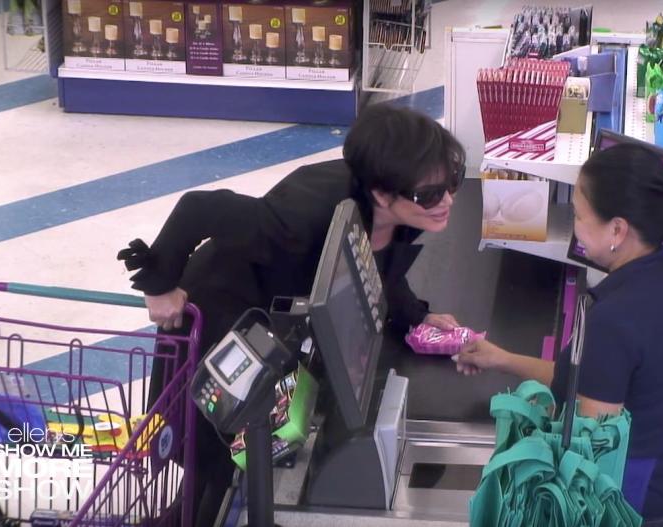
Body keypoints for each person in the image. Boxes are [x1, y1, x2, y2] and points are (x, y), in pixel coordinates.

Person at [117, 104, 465, 524]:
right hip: (221, 311)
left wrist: (415, 316)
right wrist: (160, 286)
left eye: (453, 183)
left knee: (238, 458)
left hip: (268, 324)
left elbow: (375, 266)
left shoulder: (401, 212)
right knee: (216, 454)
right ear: (380, 192)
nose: (447, 200)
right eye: (430, 194)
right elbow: (198, 208)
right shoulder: (302, 215)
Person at [452, 143, 663, 526]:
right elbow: (592, 382)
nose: (575, 226)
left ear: (617, 229)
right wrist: (501, 359)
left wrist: (522, 423)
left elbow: (592, 444)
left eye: (580, 216)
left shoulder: (614, 321)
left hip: (632, 504)